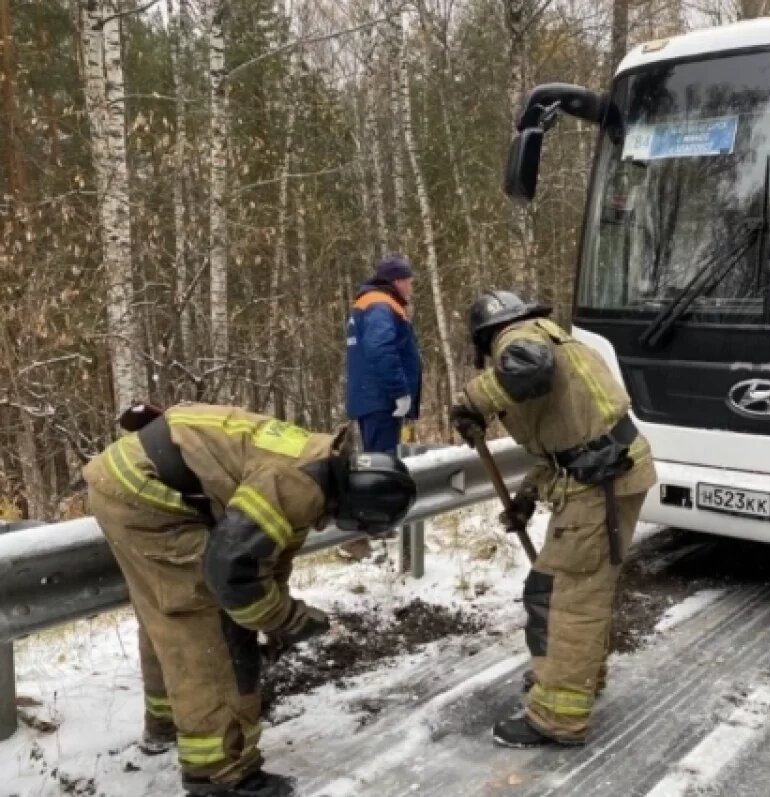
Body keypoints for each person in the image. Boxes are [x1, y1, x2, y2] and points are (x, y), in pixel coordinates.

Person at [84, 403, 416, 797]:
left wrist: (276, 619)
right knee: (209, 626)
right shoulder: (298, 485)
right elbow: (233, 576)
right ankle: (220, 774)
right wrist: (289, 620)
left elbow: (266, 559)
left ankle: (167, 723)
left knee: (167, 612)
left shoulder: (317, 461)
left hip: (129, 476)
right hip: (148, 493)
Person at [448, 291, 656, 748]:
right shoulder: (554, 338)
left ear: (486, 336)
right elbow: (570, 444)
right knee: (562, 589)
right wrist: (527, 495)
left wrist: (471, 401)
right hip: (603, 476)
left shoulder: (517, 339)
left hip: (600, 486)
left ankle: (558, 716)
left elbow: (527, 369)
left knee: (568, 601)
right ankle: (573, 678)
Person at [341, 255, 423, 561]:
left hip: (371, 398)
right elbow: (381, 349)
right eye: (408, 280)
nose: (411, 286)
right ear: (397, 281)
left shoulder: (370, 303)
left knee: (376, 463)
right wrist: (399, 392)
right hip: (380, 400)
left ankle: (377, 528)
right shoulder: (380, 305)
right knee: (378, 468)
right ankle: (361, 535)